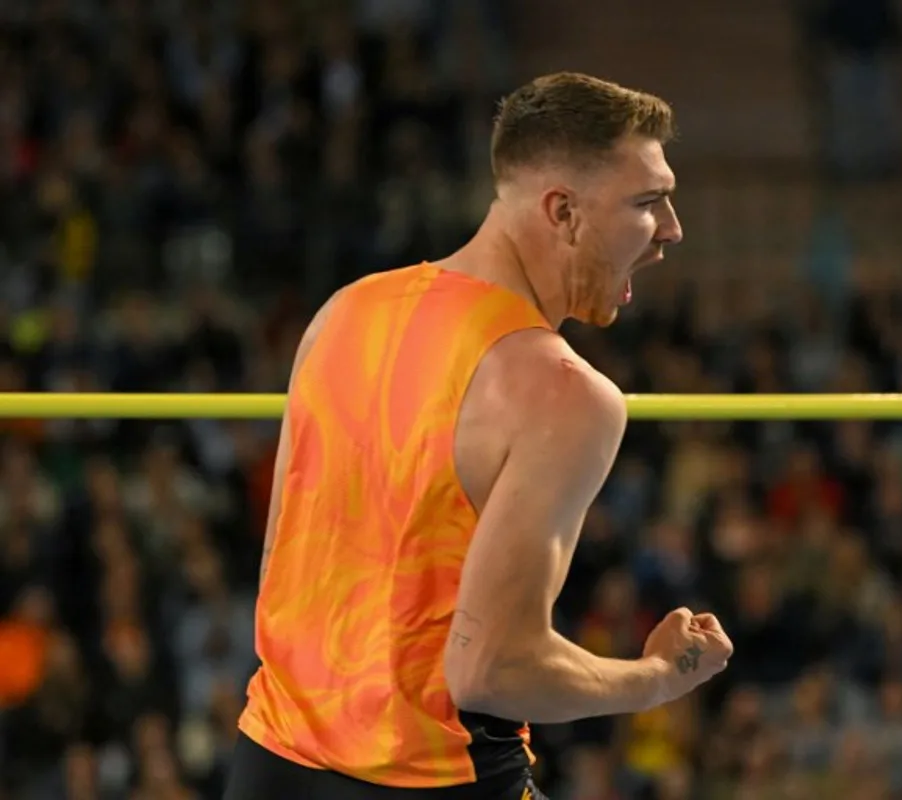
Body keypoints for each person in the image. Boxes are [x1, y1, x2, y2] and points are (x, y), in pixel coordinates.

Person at [222, 72, 734, 800]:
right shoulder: (566, 394)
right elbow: (494, 670)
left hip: (267, 763)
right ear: (563, 211)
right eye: (647, 202)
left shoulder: (342, 313)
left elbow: (279, 570)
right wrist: (659, 677)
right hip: (427, 777)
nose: (672, 230)